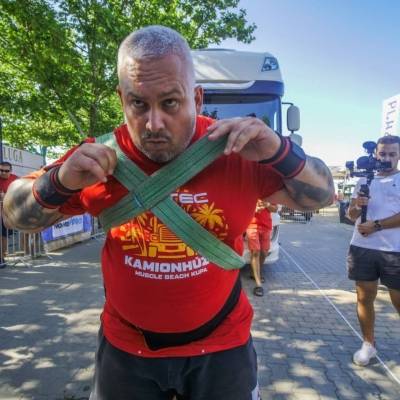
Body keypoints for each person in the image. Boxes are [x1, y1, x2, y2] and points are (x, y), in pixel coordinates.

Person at [3, 26, 334, 400]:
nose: (154, 124)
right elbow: (15, 216)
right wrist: (60, 181)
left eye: (171, 103)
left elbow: (321, 197)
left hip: (223, 347)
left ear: (196, 97)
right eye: (138, 104)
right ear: (122, 99)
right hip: (126, 351)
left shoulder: (238, 150)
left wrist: (279, 151)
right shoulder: (100, 157)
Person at [346, 135, 400, 367]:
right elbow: (351, 215)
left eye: (392, 154)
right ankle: (368, 344)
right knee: (364, 297)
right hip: (362, 247)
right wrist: (358, 205)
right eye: (383, 153)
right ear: (376, 154)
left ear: (399, 155)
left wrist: (376, 225)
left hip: (394, 250)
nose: (387, 158)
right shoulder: (364, 179)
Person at [246, 199, 278, 296]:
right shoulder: (251, 193)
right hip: (252, 225)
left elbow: (275, 209)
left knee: (264, 252)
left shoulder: (270, 195)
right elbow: (242, 208)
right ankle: (258, 284)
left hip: (266, 226)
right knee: (255, 252)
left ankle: (255, 274)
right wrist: (254, 209)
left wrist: (267, 204)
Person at [0, 161, 18, 268]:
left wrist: (5, 196)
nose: (3, 172)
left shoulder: (15, 179)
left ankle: (2, 256)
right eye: (1, 170)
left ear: (10, 171)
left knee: (4, 236)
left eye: (6, 171)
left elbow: (19, 195)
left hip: (8, 212)